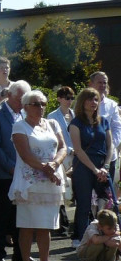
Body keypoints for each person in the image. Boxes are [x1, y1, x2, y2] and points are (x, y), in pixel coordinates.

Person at [10, 90, 66, 261]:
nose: (40, 107)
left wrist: (55, 164)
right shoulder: (19, 126)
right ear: (25, 106)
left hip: (51, 182)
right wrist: (48, 169)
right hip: (29, 182)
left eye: (43, 103)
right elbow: (26, 155)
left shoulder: (53, 123)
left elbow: (63, 147)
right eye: (35, 103)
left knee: (46, 226)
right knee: (27, 225)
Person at [0, 81, 30, 261]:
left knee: (22, 215)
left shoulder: (25, 115)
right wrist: (11, 167)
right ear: (10, 95)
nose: (23, 103)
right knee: (0, 215)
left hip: (24, 174)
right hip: (4, 174)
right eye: (21, 98)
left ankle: (21, 255)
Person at [69, 87, 113, 249]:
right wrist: (95, 170)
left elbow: (110, 147)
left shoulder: (104, 121)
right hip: (84, 167)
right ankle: (82, 237)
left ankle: (105, 236)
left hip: (103, 166)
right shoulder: (76, 123)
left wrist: (106, 167)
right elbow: (78, 150)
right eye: (89, 99)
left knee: (104, 203)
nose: (93, 102)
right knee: (84, 203)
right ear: (82, 101)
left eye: (95, 99)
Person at [48, 86, 76, 233]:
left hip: (77, 156)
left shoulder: (76, 114)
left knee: (76, 188)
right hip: (63, 155)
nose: (69, 101)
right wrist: (70, 150)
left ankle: (72, 223)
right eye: (66, 97)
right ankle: (61, 222)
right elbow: (53, 139)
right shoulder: (52, 116)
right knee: (62, 189)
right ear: (59, 99)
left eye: (71, 97)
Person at [88, 72, 121, 179]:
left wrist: (109, 146)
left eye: (104, 83)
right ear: (91, 84)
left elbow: (117, 128)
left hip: (109, 157)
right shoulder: (82, 104)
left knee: (106, 193)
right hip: (89, 157)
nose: (102, 85)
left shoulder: (112, 105)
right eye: (99, 82)